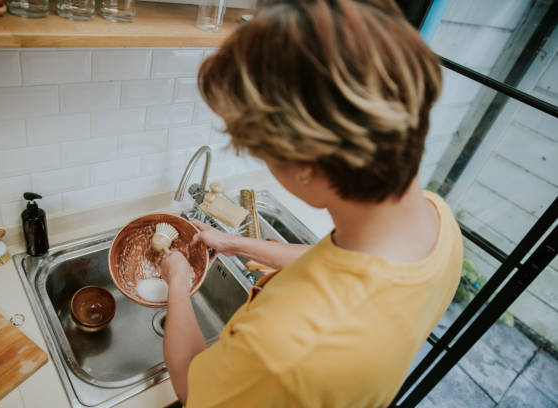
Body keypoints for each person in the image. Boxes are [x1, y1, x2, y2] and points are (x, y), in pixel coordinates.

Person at [159, 0, 463, 406]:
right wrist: (235, 243)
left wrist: (178, 284)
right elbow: (333, 268)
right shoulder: (435, 220)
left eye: (260, 149)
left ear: (303, 163)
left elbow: (191, 388)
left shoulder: (283, 350)